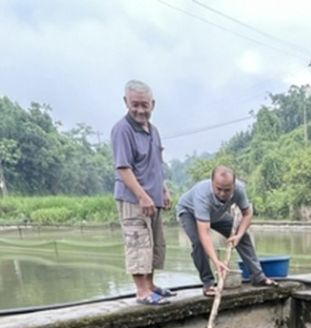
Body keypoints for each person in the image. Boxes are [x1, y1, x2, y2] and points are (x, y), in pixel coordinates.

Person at [111, 80, 173, 305]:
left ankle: (151, 286)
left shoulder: (153, 131)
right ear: (126, 102)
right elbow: (123, 168)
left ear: (152, 104)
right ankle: (142, 292)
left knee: (155, 244)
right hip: (133, 198)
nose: (140, 110)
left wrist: (163, 190)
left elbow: (157, 164)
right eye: (134, 104)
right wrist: (142, 195)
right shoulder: (122, 130)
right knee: (137, 242)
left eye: (144, 105)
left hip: (153, 198)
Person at [176, 166, 278, 296]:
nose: (223, 194)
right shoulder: (203, 195)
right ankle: (208, 283)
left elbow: (247, 214)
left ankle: (258, 277)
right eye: (218, 189)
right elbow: (204, 234)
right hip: (190, 212)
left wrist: (238, 235)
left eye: (227, 190)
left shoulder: (239, 190)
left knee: (244, 237)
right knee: (198, 243)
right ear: (212, 182)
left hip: (216, 214)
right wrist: (216, 261)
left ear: (234, 185)